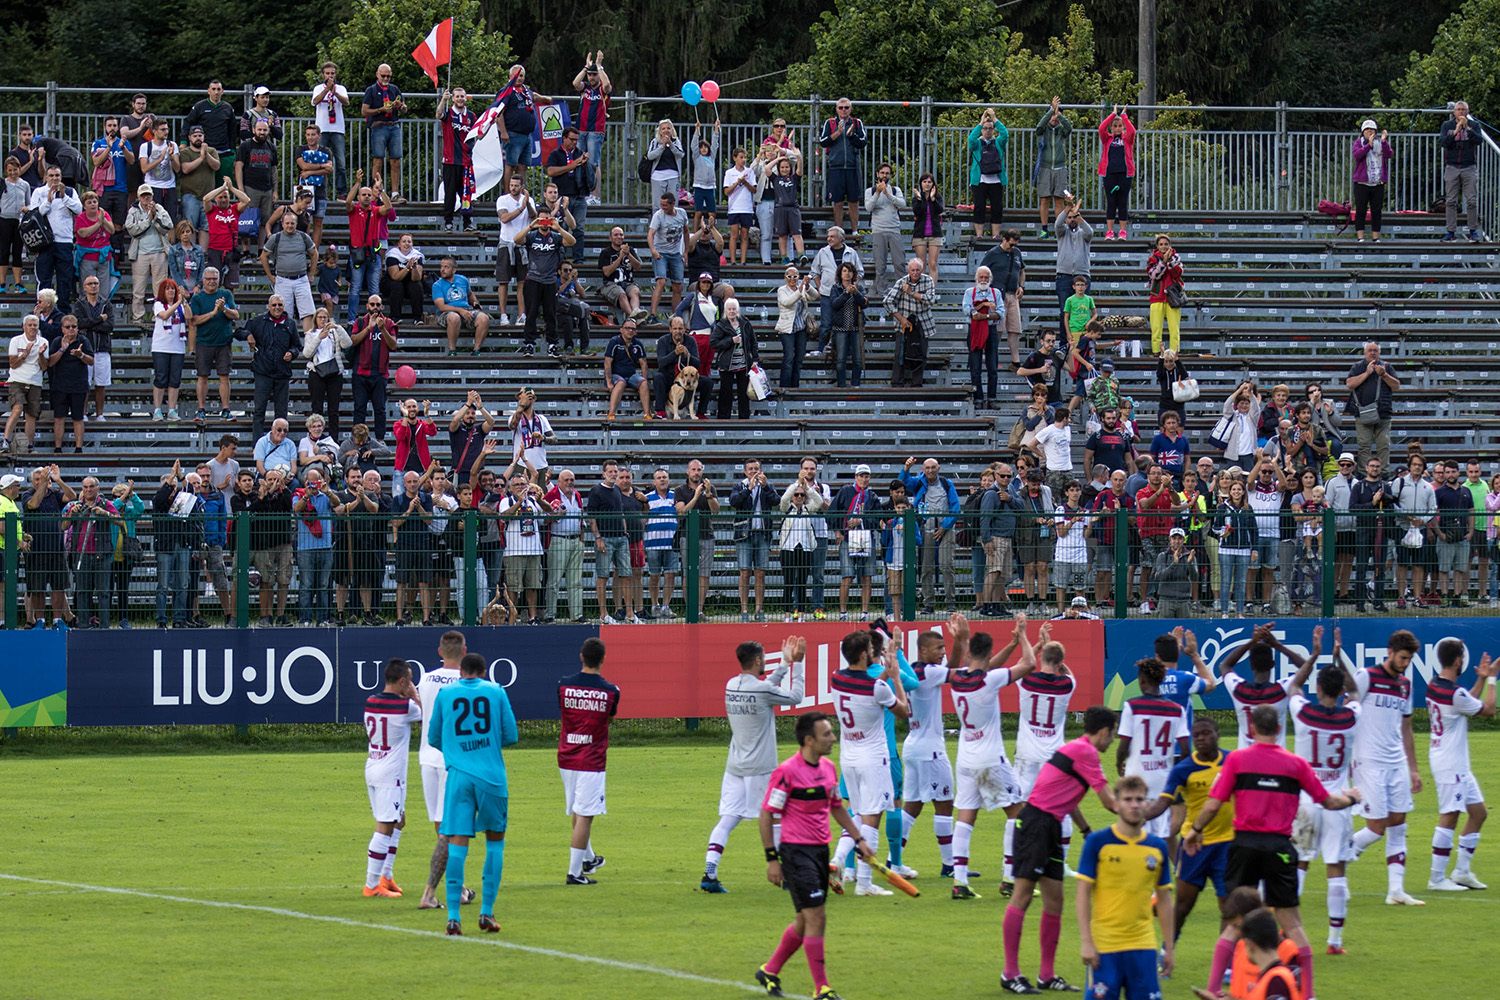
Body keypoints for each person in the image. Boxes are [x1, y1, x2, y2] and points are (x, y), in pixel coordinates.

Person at [1183, 705, 1363, 1000]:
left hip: (1244, 845)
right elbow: (1327, 802)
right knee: (1291, 921)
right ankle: (1308, 995)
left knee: (1234, 921)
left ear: (1251, 730)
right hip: (1279, 847)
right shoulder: (1295, 764)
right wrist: (1351, 798)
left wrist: (1195, 830)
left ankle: (1215, 989)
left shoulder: (1238, 760)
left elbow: (1214, 803)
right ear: (1279, 730)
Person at [754, 711, 875, 1000]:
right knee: (816, 916)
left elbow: (836, 806)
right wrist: (772, 859)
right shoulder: (787, 771)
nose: (833, 738)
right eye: (827, 734)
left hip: (820, 851)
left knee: (804, 919)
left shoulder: (829, 768)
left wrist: (858, 839)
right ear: (809, 740)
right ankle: (822, 987)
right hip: (796, 854)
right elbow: (766, 814)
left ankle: (769, 970)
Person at [1003, 703, 1119, 994]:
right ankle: (1010, 974)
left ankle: (1046, 975)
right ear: (1104, 732)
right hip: (1035, 824)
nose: (1113, 740)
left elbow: (1068, 795)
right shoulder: (1086, 752)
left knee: (1055, 900)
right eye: (1113, 735)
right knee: (1022, 896)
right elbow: (1110, 802)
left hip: (1050, 825)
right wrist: (1144, 813)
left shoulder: (1077, 749)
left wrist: (1085, 830)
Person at [701, 635, 807, 892]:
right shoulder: (761, 689)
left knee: (727, 819)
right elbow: (796, 697)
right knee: (778, 818)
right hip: (761, 767)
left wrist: (783, 662)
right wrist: (798, 663)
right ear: (758, 660)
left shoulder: (731, 684)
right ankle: (787, 876)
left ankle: (709, 873)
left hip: (735, 766)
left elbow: (763, 687)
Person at [426, 650, 519, 935]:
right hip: (492, 778)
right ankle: (486, 913)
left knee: (456, 846)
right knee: (495, 844)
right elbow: (510, 735)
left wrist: (458, 751)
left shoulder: (445, 693)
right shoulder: (496, 691)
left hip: (459, 778)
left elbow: (433, 738)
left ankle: (453, 916)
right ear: (483, 671)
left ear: (461, 672)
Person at [822, 628, 910, 897]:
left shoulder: (837, 678)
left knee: (858, 816)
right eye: (872, 650)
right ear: (864, 654)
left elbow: (867, 688)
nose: (875, 653)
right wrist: (895, 677)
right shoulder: (879, 687)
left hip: (849, 758)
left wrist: (885, 675)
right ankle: (864, 882)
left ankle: (837, 861)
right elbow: (905, 711)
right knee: (871, 821)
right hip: (873, 759)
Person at [1076, 776, 1175, 1000]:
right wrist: (1086, 942)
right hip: (1104, 947)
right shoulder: (1098, 843)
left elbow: (1165, 899)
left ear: (1147, 804)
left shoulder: (1157, 847)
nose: (1134, 804)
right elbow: (1082, 893)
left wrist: (1169, 947)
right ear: (1116, 804)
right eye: (1128, 799)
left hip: (1144, 946)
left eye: (1139, 799)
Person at [1345, 628, 1424, 907]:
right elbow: (1346, 714)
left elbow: (1406, 726)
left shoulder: (1405, 685)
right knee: (1376, 827)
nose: (1405, 663)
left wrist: (1413, 768)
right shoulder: (1366, 676)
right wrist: (1348, 759)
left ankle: (1396, 891)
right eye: (1403, 657)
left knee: (1399, 825)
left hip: (1397, 763)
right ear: (1389, 652)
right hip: (1369, 762)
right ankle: (1341, 855)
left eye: (1410, 659)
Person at [1426, 638, 1497, 892]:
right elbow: (1489, 710)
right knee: (1450, 816)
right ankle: (1436, 879)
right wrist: (1491, 679)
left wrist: (1481, 678)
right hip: (1449, 763)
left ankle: (1462, 871)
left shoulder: (1435, 685)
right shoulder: (1453, 693)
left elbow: (1467, 704)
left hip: (1452, 762)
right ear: (1459, 661)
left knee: (1478, 813)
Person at [414, 631, 471, 911]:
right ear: (464, 651)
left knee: (441, 825)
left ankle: (458, 887)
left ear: (440, 651)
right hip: (454, 760)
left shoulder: (425, 679)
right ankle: (444, 889)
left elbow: (421, 712)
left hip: (427, 756)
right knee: (454, 826)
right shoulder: (467, 681)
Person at [558, 638, 620, 884]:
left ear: (581, 656)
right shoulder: (611, 691)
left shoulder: (563, 685)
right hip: (591, 758)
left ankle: (589, 858)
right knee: (585, 814)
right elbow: (609, 718)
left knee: (578, 808)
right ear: (603, 660)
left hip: (566, 754)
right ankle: (574, 873)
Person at [360, 657, 422, 896]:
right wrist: (415, 695)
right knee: (385, 826)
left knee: (399, 820)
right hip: (391, 774)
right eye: (410, 681)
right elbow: (430, 718)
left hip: (373, 766)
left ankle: (386, 876)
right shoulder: (405, 707)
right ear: (403, 681)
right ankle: (372, 884)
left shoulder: (370, 701)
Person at [1115, 655, 1191, 844]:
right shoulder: (1177, 710)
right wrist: (1175, 773)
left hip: (1137, 779)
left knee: (1133, 834)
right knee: (1160, 839)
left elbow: (1124, 744)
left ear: (1142, 681)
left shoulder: (1132, 706)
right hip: (1163, 783)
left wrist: (1119, 763)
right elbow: (1185, 750)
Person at [1214, 622, 1310, 748]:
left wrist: (1252, 641)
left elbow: (1224, 666)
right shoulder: (1281, 690)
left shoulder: (1239, 690)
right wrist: (1277, 645)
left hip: (1246, 762)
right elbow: (1306, 667)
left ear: (1250, 665)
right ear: (1273, 664)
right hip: (1275, 761)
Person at [515, 206, 574, 357]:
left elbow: (571, 241)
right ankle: (529, 344)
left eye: (546, 219)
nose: (544, 223)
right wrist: (530, 226)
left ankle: (552, 345)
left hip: (550, 281)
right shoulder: (532, 235)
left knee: (550, 314)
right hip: (533, 279)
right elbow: (516, 240)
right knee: (531, 313)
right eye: (541, 219)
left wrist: (558, 227)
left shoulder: (554, 236)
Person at [27, 167, 82, 311]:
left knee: (64, 280)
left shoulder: (70, 191)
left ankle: (63, 312)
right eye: (51, 175)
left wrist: (63, 196)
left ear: (61, 176)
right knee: (44, 279)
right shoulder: (39, 192)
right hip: (45, 242)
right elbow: (34, 213)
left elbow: (78, 209)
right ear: (46, 177)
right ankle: (43, 311)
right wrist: (48, 201)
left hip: (64, 241)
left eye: (57, 175)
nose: (54, 178)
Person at [245, 297, 299, 441]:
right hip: (263, 371)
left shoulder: (290, 324)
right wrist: (249, 335)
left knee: (281, 412)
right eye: (274, 305)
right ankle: (257, 444)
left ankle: (280, 442)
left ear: (284, 306)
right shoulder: (258, 321)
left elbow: (297, 346)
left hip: (282, 373)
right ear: (268, 306)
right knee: (259, 410)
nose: (277, 307)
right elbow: (240, 332)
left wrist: (292, 353)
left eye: (280, 305)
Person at [344, 178, 393, 325]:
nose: (366, 196)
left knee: (374, 290)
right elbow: (347, 202)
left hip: (373, 256)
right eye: (363, 194)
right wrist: (357, 183)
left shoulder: (375, 211)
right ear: (358, 197)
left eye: (368, 194)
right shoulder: (354, 210)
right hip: (358, 256)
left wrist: (381, 190)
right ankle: (352, 319)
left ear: (372, 197)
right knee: (355, 289)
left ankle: (376, 318)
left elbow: (389, 207)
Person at [818, 98, 867, 234]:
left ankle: (855, 231)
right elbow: (823, 142)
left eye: (846, 107)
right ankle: (838, 232)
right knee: (837, 202)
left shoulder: (856, 123)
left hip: (852, 167)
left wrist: (851, 135)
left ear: (850, 109)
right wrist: (837, 134)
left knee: (853, 202)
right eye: (841, 108)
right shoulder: (830, 123)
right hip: (836, 167)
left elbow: (863, 142)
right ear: (836, 109)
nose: (843, 110)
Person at [884, 258, 936, 388]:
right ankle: (897, 384)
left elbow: (930, 300)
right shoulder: (901, 282)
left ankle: (917, 384)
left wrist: (911, 293)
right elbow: (887, 301)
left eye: (918, 270)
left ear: (922, 270)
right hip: (904, 325)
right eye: (913, 270)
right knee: (900, 355)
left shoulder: (928, 280)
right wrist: (900, 318)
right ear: (908, 270)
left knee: (922, 355)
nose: (915, 272)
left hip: (923, 324)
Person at [978, 229, 1027, 366]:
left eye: (1015, 245)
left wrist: (1021, 286)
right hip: (997, 295)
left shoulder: (1016, 253)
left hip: (1013, 294)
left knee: (1015, 329)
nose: (1013, 247)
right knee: (998, 329)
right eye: (1011, 244)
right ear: (1004, 240)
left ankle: (1015, 361)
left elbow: (1022, 271)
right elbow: (981, 272)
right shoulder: (993, 253)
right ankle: (992, 358)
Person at [360, 65, 408, 202]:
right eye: (383, 76)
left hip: (393, 126)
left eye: (388, 76)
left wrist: (401, 106)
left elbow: (405, 108)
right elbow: (364, 111)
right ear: (377, 75)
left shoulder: (394, 89)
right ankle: (376, 192)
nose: (386, 78)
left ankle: (394, 193)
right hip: (378, 126)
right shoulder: (371, 90)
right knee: (378, 159)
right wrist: (381, 110)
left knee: (396, 160)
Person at [46, 313, 93, 453]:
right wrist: (62, 349)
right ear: (62, 329)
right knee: (59, 417)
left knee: (78, 418)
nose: (71, 329)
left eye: (74, 327)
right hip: (60, 385)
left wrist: (81, 355)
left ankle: (79, 448)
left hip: (79, 385)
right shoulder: (57, 341)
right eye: (68, 327)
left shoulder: (83, 340)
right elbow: (50, 362)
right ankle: (58, 448)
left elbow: (91, 361)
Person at [302, 307, 351, 440]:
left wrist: (338, 327)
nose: (323, 320)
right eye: (320, 317)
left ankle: (334, 438)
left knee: (333, 408)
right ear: (315, 319)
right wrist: (319, 338)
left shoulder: (334, 332)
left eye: (325, 317)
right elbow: (307, 353)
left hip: (334, 372)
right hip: (317, 372)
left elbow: (348, 344)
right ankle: (315, 437)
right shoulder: (310, 334)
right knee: (317, 407)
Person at [90, 115, 135, 258]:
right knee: (103, 221)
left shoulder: (124, 143)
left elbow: (132, 160)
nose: (112, 128)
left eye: (115, 126)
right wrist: (108, 147)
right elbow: (96, 162)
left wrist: (123, 148)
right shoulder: (99, 143)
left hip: (121, 189)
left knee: (118, 223)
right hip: (104, 189)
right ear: (105, 128)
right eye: (109, 126)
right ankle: (103, 251)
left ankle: (116, 255)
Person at [72, 275, 114, 423]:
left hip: (102, 348)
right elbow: (79, 324)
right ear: (84, 287)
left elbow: (109, 325)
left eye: (96, 283)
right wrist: (98, 320)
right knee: (84, 383)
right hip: (86, 349)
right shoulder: (79, 304)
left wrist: (90, 325)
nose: (93, 286)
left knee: (101, 384)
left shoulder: (106, 304)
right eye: (90, 283)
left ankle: (100, 414)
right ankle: (82, 413)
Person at [1440, 100, 1483, 242]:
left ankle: (1473, 231)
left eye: (1464, 110)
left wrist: (1468, 130)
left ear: (1468, 112)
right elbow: (1443, 143)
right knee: (1451, 201)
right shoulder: (1447, 125)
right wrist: (1456, 131)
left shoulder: (1474, 125)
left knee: (1471, 200)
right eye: (1458, 109)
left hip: (1469, 166)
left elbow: (1479, 140)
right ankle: (1450, 232)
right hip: (1452, 166)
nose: (1461, 112)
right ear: (1454, 112)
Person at [572, 52, 612, 205]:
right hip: (581, 129)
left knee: (593, 163)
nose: (592, 77)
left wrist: (599, 66)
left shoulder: (602, 89)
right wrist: (585, 68)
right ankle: (582, 193)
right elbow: (575, 83)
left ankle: (595, 196)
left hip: (596, 130)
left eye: (594, 75)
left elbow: (607, 85)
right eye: (590, 75)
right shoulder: (585, 88)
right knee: (580, 161)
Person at [710, 298, 759, 421]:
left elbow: (753, 341)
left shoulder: (745, 322)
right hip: (727, 364)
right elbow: (713, 343)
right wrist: (731, 341)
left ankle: (744, 419)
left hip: (743, 363)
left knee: (743, 393)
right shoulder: (721, 324)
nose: (732, 311)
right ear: (725, 311)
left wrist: (756, 359)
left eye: (734, 309)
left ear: (737, 310)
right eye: (729, 309)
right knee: (726, 392)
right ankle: (723, 419)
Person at [435, 87, 476, 232]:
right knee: (450, 192)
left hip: (466, 161)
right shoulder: (449, 113)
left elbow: (479, 133)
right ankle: (448, 222)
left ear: (466, 98)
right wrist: (443, 100)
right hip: (450, 160)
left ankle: (467, 223)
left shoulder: (471, 116)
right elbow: (438, 114)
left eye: (462, 96)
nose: (460, 99)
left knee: (466, 194)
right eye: (457, 96)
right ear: (453, 98)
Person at [547, 126, 591, 259]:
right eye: (571, 139)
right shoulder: (555, 154)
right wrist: (570, 167)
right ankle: (561, 259)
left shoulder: (579, 153)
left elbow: (588, 176)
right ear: (564, 138)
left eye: (576, 140)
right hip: (562, 195)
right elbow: (550, 171)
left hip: (579, 195)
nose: (574, 142)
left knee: (579, 229)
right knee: (562, 228)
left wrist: (585, 165)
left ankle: (579, 259)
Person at [862, 162, 907, 296]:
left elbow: (902, 204)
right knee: (880, 265)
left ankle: (901, 291)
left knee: (899, 263)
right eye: (882, 173)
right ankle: (883, 291)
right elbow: (868, 207)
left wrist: (888, 194)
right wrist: (877, 192)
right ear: (877, 174)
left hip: (894, 230)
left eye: (887, 173)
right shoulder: (869, 191)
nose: (884, 175)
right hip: (878, 231)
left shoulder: (895, 190)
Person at [201, 178, 251, 288]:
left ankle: (230, 305)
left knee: (231, 286)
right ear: (216, 199)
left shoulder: (234, 209)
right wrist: (223, 188)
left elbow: (246, 200)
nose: (223, 200)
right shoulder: (212, 210)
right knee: (213, 285)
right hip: (215, 250)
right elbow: (205, 199)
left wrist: (231, 188)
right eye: (220, 197)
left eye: (225, 197)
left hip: (231, 251)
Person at [967, 108, 1008, 239]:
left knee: (997, 208)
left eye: (990, 128)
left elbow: (1005, 134)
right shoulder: (977, 143)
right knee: (979, 207)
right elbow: (971, 138)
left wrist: (995, 118)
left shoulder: (999, 142)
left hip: (996, 180)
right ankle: (979, 234)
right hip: (980, 181)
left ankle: (995, 235)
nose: (988, 131)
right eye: (985, 128)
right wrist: (980, 123)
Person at [1350, 118, 1394, 242]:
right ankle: (1360, 237)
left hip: (1377, 181)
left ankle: (1376, 237)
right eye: (1367, 129)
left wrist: (1384, 142)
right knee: (1361, 209)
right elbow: (1357, 155)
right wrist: (1368, 145)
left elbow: (1389, 154)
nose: (1370, 131)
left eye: (1372, 129)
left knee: (1376, 210)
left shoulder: (1380, 142)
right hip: (1362, 182)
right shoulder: (1359, 142)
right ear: (1363, 131)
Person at [311, 61, 350, 197]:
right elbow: (315, 102)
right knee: (320, 162)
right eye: (327, 73)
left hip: (337, 129)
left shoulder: (341, 88)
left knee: (341, 163)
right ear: (323, 75)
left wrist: (335, 92)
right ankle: (321, 191)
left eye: (332, 73)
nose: (330, 76)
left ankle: (342, 192)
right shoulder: (318, 88)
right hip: (322, 129)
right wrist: (326, 90)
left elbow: (346, 102)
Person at [964, 266, 1002, 408]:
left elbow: (1000, 313)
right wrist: (985, 305)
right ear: (976, 278)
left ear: (990, 279)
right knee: (975, 367)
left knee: (992, 366)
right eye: (981, 277)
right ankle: (978, 398)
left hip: (991, 329)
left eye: (986, 277)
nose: (984, 280)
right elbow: (966, 310)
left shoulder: (996, 292)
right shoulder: (970, 292)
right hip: (974, 330)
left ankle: (992, 398)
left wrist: (983, 315)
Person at [1035, 97, 1073, 235]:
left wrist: (1059, 115)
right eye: (1052, 115)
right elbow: (1039, 126)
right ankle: (1044, 230)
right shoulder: (1042, 131)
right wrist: (1051, 109)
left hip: (1060, 168)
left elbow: (1069, 127)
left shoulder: (1062, 131)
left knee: (1059, 199)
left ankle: (1058, 229)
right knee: (1044, 199)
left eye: (1057, 115)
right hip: (1045, 168)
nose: (1054, 118)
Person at [1097, 106, 1136, 239]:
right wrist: (1113, 114)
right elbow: (1101, 128)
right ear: (1112, 128)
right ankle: (1110, 231)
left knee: (1122, 202)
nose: (1118, 128)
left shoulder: (1127, 139)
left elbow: (1132, 131)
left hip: (1125, 174)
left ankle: (1122, 231)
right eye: (1115, 126)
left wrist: (1124, 116)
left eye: (1120, 126)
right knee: (1111, 202)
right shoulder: (1107, 139)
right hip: (1109, 174)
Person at [1146, 234, 1184, 355]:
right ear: (1157, 246)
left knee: (1174, 329)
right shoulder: (1152, 259)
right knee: (1156, 328)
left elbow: (1178, 273)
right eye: (1161, 244)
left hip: (1173, 297)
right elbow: (1154, 275)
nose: (1163, 247)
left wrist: (1170, 261)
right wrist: (1163, 262)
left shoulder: (1176, 257)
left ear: (1170, 245)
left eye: (1166, 244)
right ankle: (1157, 351)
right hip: (1157, 296)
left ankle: (1174, 353)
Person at [644, 118, 684, 207]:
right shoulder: (655, 142)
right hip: (657, 177)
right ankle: (657, 220)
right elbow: (650, 156)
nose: (666, 130)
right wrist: (662, 146)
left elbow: (681, 154)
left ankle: (672, 221)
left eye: (668, 128)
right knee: (657, 204)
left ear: (672, 130)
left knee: (673, 204)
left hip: (673, 176)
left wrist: (671, 145)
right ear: (660, 131)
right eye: (663, 128)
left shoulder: (676, 142)